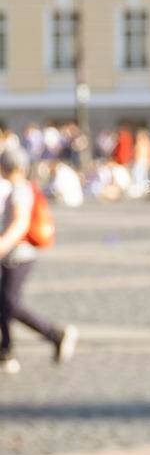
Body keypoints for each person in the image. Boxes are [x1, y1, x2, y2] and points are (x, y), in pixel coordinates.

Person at [0, 145, 78, 374]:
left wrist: (1, 246)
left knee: (10, 303)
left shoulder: (19, 191)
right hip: (14, 255)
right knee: (3, 304)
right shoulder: (19, 188)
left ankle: (54, 334)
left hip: (18, 256)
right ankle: (6, 350)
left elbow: (20, 224)